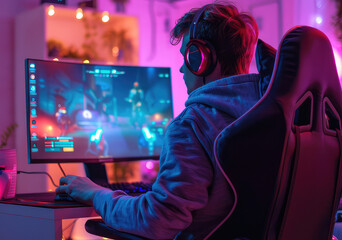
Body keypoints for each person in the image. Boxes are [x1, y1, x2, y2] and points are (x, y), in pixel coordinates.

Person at [56, 3, 261, 239]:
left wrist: (96, 195)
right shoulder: (266, 115)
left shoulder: (192, 125)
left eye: (188, 56)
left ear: (202, 59)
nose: (183, 68)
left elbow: (159, 219)